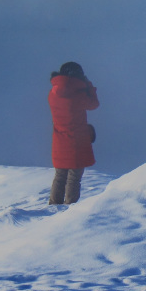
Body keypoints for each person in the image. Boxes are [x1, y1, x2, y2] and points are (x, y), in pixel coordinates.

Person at [48, 61, 100, 205]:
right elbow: (94, 104)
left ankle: (53, 205)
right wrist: (88, 86)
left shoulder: (53, 94)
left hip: (59, 140)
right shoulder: (77, 96)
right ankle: (70, 209)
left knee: (60, 175)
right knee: (74, 176)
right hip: (77, 141)